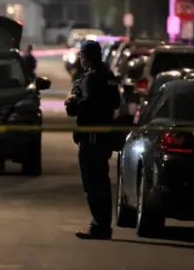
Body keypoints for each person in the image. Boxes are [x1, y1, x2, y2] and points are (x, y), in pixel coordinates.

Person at [64, 40, 121, 240]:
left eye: (81, 56)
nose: (80, 59)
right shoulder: (109, 76)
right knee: (102, 181)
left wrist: (74, 103)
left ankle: (100, 226)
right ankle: (103, 225)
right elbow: (116, 102)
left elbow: (85, 105)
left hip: (91, 138)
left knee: (93, 183)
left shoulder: (89, 78)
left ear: (86, 57)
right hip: (103, 136)